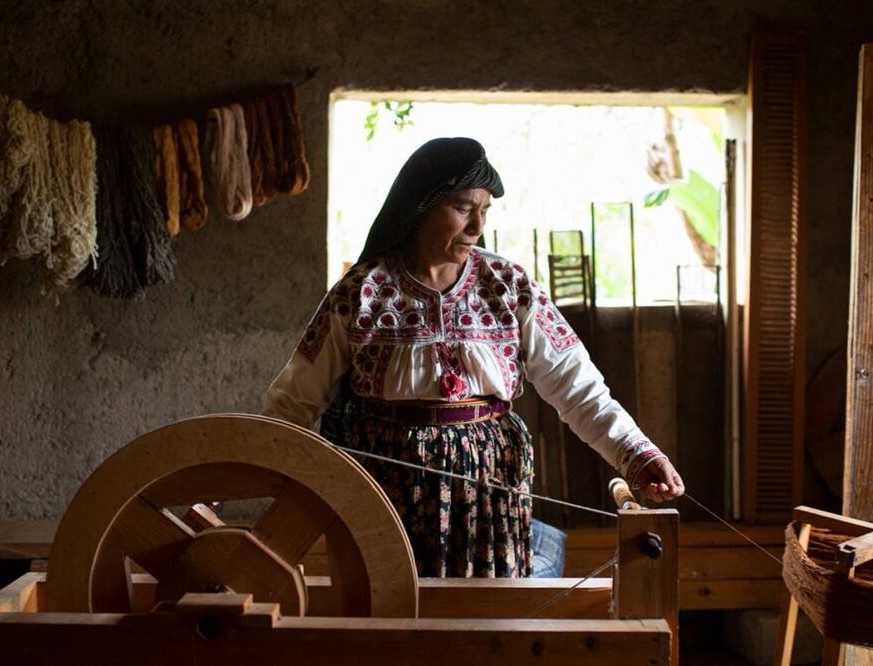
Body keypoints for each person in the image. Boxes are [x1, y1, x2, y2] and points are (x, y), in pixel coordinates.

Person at [264, 137, 684, 578]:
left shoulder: (508, 286)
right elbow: (295, 399)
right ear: (421, 206)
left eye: (485, 211)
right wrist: (257, 474)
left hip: (490, 493)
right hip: (384, 492)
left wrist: (636, 454)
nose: (476, 226)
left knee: (489, 617)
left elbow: (577, 388)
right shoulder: (362, 292)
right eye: (464, 208)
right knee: (390, 611)